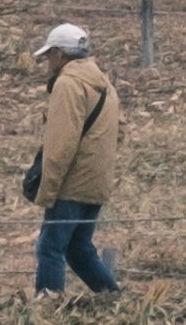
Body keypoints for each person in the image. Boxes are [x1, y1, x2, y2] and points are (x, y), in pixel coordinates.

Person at [26, 21, 124, 295]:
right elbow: (121, 130)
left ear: (60, 54)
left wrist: (48, 190)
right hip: (97, 182)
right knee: (79, 248)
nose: (48, 61)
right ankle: (112, 297)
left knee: (50, 248)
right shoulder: (103, 83)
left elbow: (60, 146)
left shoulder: (68, 85)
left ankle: (48, 308)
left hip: (71, 184)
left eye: (49, 54)